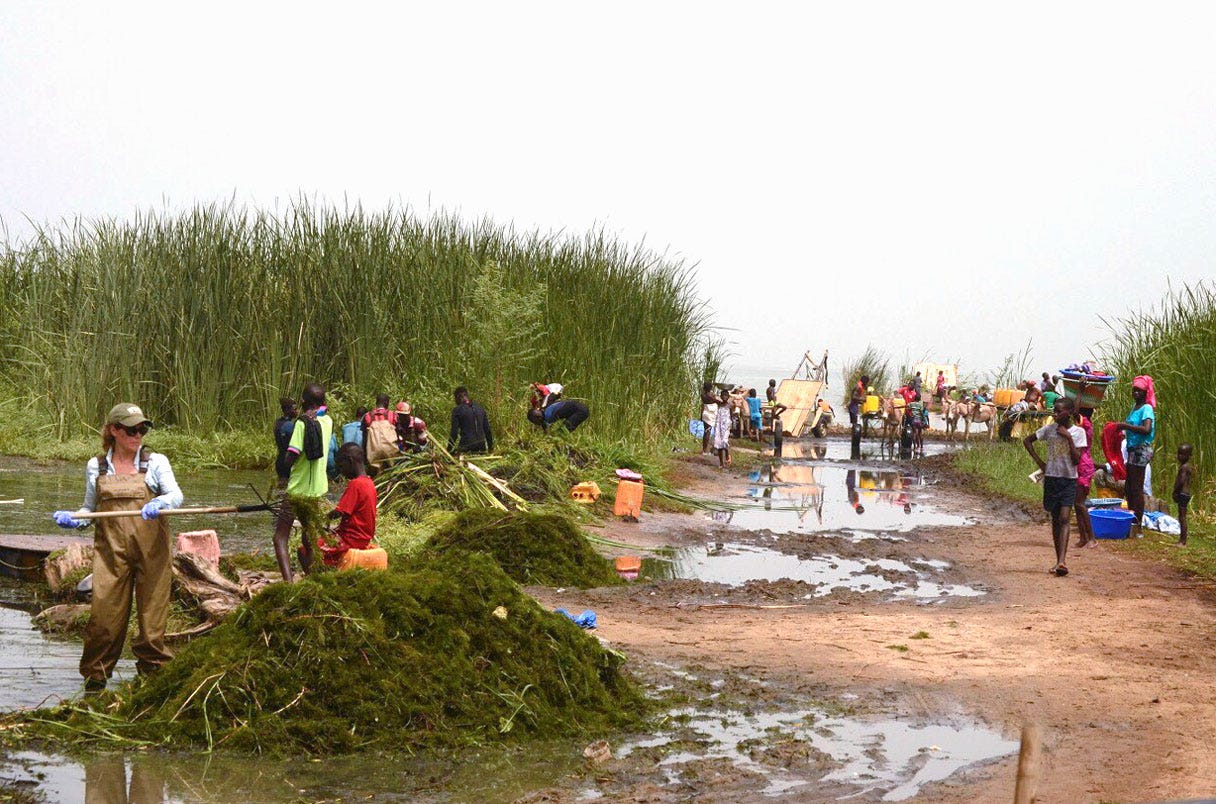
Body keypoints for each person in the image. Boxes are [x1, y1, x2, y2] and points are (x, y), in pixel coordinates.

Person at [52, 403, 183, 691]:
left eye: (142, 428)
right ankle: (95, 682)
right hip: (111, 556)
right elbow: (89, 510)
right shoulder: (96, 466)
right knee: (103, 624)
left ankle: (152, 682)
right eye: (132, 429)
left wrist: (161, 502)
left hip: (152, 554)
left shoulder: (155, 462)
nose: (139, 434)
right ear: (114, 430)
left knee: (151, 627)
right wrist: (74, 520)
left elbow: (175, 495)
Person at [273, 382, 333, 582]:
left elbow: (290, 458)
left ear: (303, 402)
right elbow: (322, 412)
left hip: (297, 490)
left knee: (280, 537)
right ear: (323, 403)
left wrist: (285, 462)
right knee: (308, 536)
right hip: (317, 489)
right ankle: (313, 576)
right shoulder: (327, 422)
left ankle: (288, 583)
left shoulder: (301, 424)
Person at [1023, 397, 1087, 577]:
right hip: (1051, 478)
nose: (1055, 414)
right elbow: (1027, 441)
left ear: (1069, 413)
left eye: (1059, 412)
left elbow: (1076, 460)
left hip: (1068, 479)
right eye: (1054, 411)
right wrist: (1040, 462)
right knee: (1055, 519)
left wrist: (1068, 439)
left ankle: (1062, 561)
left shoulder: (1077, 432)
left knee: (1065, 518)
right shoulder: (1049, 430)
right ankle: (1058, 559)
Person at [318, 443, 377, 567]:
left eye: (341, 466)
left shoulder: (355, 484)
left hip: (350, 539)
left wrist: (323, 518)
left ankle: (316, 579)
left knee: (307, 549)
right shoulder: (370, 483)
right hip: (363, 538)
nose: (341, 471)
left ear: (349, 461)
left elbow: (340, 512)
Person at [1116, 375, 1155, 538]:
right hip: (1133, 449)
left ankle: (1137, 525)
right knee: (1129, 487)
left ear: (1146, 392)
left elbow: (1146, 429)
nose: (1135, 393)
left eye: (1139, 390)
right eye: (1134, 390)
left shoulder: (1146, 408)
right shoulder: (1135, 407)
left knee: (1136, 488)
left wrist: (1126, 426)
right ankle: (1131, 520)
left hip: (1141, 449)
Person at [1074, 405, 1096, 548]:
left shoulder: (1085, 423)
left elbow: (1075, 412)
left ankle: (1091, 538)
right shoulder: (1084, 424)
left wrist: (1080, 391)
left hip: (1083, 466)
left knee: (1080, 503)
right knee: (1077, 504)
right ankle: (1083, 537)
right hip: (1080, 465)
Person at [448, 386, 493, 453]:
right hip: (481, 447)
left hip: (467, 447)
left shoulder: (457, 410)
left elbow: (454, 433)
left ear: (458, 397)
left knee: (456, 452)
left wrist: (448, 449)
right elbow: (487, 430)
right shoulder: (480, 408)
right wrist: (490, 448)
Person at [273, 397, 298, 488]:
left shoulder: (277, 423)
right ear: (287, 410)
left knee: (281, 487)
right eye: (294, 409)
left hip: (279, 460)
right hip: (288, 460)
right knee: (288, 488)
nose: (297, 411)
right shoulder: (290, 426)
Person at [1173, 443, 1193, 547]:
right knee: (1181, 516)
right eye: (1179, 453)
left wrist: (1175, 491)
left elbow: (1181, 481)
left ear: (1189, 455)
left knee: (1182, 517)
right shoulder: (1185, 466)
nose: (1180, 456)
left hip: (1183, 493)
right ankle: (1182, 539)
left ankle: (1183, 541)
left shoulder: (1185, 467)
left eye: (1183, 454)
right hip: (1184, 493)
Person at [713, 389, 732, 468]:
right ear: (720, 397)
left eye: (726, 396)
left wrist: (731, 425)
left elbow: (732, 416)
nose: (724, 397)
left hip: (726, 426)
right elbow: (712, 399)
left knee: (725, 441)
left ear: (728, 397)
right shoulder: (719, 404)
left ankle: (727, 455)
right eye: (723, 395)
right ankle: (721, 463)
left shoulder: (730, 405)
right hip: (719, 425)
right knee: (719, 443)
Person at [699, 382, 718, 455]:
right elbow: (717, 401)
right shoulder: (710, 396)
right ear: (710, 388)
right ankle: (705, 450)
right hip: (710, 414)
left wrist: (701, 416)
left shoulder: (703, 395)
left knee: (706, 431)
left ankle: (704, 449)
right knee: (708, 432)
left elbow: (703, 406)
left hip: (705, 413)